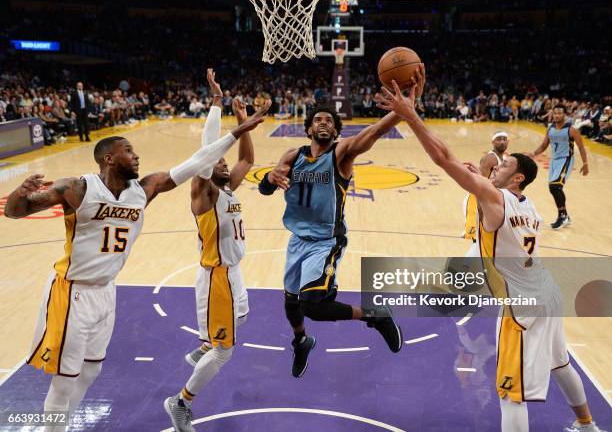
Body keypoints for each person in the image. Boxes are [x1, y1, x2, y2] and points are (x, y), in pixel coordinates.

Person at [3, 104, 269, 428]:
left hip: (106, 291)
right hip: (72, 291)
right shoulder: (78, 188)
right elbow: (16, 211)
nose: (136, 156)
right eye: (128, 151)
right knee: (64, 379)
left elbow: (196, 163)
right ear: (109, 159)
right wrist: (19, 192)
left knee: (90, 371)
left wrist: (237, 132)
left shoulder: (145, 189)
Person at [376, 80, 604, 432]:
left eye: (503, 166)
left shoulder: (497, 200)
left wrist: (410, 115)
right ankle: (587, 424)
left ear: (518, 179)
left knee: (509, 392)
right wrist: (476, 177)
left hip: (522, 307)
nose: (495, 167)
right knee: (560, 363)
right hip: (548, 294)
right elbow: (485, 188)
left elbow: (440, 157)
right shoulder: (531, 208)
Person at [257, 65, 426, 378]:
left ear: (335, 132)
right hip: (297, 241)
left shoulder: (340, 154)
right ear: (308, 129)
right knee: (291, 303)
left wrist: (403, 110)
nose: (323, 123)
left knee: (313, 305)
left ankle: (375, 315)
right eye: (318, 120)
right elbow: (266, 188)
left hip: (325, 241)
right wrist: (268, 177)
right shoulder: (293, 156)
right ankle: (301, 340)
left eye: (329, 121)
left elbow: (372, 133)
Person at [164, 69, 271, 432]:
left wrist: (244, 123)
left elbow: (247, 162)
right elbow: (206, 155)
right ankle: (180, 402)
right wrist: (216, 104)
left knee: (241, 315)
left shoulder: (227, 190)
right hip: (216, 276)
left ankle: (202, 345)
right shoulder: (205, 195)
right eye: (219, 164)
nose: (226, 165)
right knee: (225, 351)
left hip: (233, 274)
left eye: (225, 164)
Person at [529, 105, 588, 229]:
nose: (556, 115)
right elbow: (544, 145)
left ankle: (562, 216)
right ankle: (565, 216)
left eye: (559, 113)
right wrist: (533, 154)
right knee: (554, 188)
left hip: (566, 160)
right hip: (554, 161)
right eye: (555, 113)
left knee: (555, 186)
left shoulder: (571, 130)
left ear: (564, 115)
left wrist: (585, 163)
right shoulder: (550, 128)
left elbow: (581, 147)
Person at [463, 131, 508, 246]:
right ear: (493, 142)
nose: (502, 142)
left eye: (504, 139)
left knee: (487, 241)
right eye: (499, 139)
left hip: (487, 200)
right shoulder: (490, 158)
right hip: (476, 200)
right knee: (478, 241)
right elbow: (479, 182)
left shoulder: (501, 158)